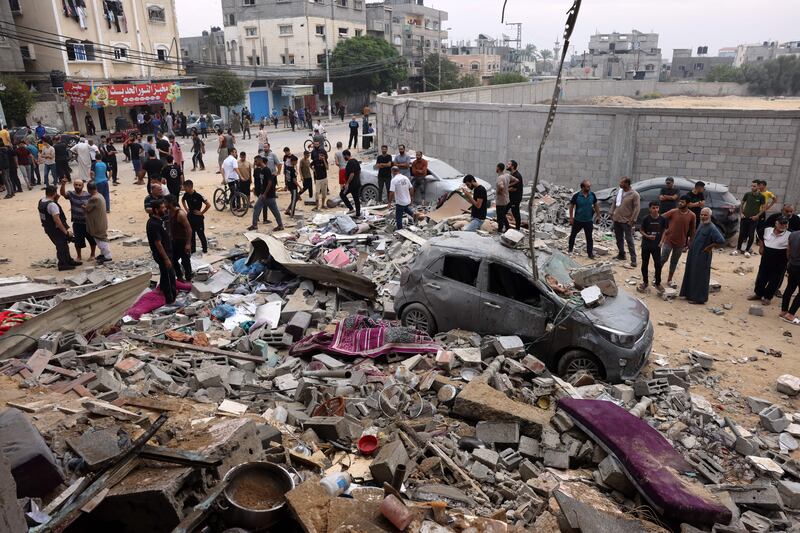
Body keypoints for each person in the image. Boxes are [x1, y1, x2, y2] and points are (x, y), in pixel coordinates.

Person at [680, 207, 725, 304]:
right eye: (701, 214)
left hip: (702, 256)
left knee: (700, 277)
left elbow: (721, 240)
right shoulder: (701, 224)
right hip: (693, 255)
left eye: (705, 215)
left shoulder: (712, 227)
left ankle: (698, 299)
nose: (703, 217)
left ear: (709, 216)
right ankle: (689, 294)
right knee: (691, 273)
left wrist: (710, 247)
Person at [750, 217, 791, 306]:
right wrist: (761, 247)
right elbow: (760, 236)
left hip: (780, 260)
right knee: (761, 277)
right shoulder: (767, 230)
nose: (783, 226)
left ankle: (768, 297)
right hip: (766, 257)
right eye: (781, 223)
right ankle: (758, 294)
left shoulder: (790, 234)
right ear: (776, 223)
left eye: (785, 224)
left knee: (774, 280)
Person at [40, 185, 80, 271]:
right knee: (61, 246)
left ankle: (68, 260)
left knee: (64, 245)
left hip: (48, 228)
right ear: (54, 193)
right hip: (55, 229)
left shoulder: (42, 201)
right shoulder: (52, 205)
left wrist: (56, 200)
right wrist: (66, 232)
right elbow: (57, 221)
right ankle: (63, 264)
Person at [660, 196, 696, 289]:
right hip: (668, 240)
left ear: (687, 204)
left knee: (674, 261)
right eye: (679, 202)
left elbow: (692, 229)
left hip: (681, 242)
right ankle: (657, 277)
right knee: (663, 259)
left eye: (682, 202)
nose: (680, 203)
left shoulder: (692, 215)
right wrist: (664, 230)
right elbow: (661, 218)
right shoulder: (673, 211)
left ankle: (669, 280)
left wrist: (691, 241)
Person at [147, 199, 177, 304]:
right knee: (170, 277)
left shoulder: (159, 220)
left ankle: (162, 292)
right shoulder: (154, 224)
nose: (165, 209)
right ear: (156, 210)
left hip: (167, 253)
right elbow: (158, 244)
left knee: (165, 275)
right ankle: (171, 300)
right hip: (163, 255)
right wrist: (166, 259)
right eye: (162, 208)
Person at [59, 178, 95, 261]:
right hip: (77, 222)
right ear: (73, 185)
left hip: (87, 222)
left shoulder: (88, 195)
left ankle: (92, 254)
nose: (77, 186)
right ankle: (79, 256)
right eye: (76, 185)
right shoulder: (71, 194)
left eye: (79, 185)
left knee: (92, 239)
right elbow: (63, 194)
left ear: (82, 186)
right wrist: (63, 184)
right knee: (78, 241)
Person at [248, 156, 284, 231]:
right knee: (256, 208)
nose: (255, 163)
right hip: (263, 194)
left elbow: (270, 182)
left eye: (256, 161)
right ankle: (254, 225)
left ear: (260, 161)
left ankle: (280, 225)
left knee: (274, 210)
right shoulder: (261, 170)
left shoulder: (266, 170)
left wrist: (265, 194)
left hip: (269, 195)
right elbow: (262, 182)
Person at [611, 176, 640, 267]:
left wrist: (633, 220)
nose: (620, 184)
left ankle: (633, 259)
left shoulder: (634, 194)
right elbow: (614, 203)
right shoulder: (620, 192)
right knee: (619, 239)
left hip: (627, 221)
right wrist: (611, 213)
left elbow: (637, 208)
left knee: (629, 240)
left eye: (622, 182)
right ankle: (621, 254)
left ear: (627, 184)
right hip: (617, 219)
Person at [638, 201, 667, 293]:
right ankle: (645, 282)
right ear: (649, 209)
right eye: (653, 208)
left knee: (658, 265)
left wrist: (662, 241)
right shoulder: (645, 219)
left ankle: (658, 283)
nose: (655, 210)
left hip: (656, 246)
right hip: (646, 245)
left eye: (657, 208)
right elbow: (641, 230)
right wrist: (647, 236)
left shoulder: (662, 219)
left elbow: (665, 231)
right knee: (644, 264)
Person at [568, 179, 600, 258]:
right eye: (587, 187)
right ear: (582, 187)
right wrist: (571, 217)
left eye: (589, 186)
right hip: (578, 220)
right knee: (573, 235)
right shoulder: (576, 196)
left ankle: (590, 254)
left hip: (588, 221)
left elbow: (596, 205)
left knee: (589, 238)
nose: (589, 188)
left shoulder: (592, 195)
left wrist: (598, 215)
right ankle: (570, 249)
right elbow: (571, 207)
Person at [165, 195, 193, 282]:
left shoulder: (180, 214)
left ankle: (189, 278)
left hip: (183, 241)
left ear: (170, 203)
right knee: (172, 259)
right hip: (174, 240)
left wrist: (188, 244)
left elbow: (189, 229)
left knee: (185, 261)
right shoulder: (169, 211)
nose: (164, 204)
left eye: (165, 202)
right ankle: (180, 276)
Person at [84, 181, 112, 264]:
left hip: (97, 223)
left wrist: (83, 206)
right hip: (101, 221)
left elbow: (87, 209)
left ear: (89, 189)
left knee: (100, 240)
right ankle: (103, 254)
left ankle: (107, 256)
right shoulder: (100, 195)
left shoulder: (94, 198)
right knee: (100, 239)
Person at [736, 180, 766, 255]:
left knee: (751, 234)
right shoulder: (747, 194)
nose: (752, 187)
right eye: (751, 186)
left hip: (753, 219)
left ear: (758, 186)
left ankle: (747, 250)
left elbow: (764, 208)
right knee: (741, 234)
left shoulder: (761, 197)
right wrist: (741, 213)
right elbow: (741, 204)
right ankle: (738, 249)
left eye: (754, 186)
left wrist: (757, 216)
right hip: (744, 218)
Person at [181, 180, 210, 254]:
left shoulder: (198, 195)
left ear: (189, 187)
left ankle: (205, 250)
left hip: (198, 218)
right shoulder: (186, 194)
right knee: (191, 234)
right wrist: (186, 209)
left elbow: (208, 205)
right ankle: (193, 250)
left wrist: (201, 213)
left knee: (201, 234)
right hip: (190, 217)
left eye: (185, 187)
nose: (183, 188)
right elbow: (182, 200)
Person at [781, 228, 800, 323]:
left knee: (790, 288)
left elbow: (788, 250)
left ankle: (784, 311)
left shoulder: (793, 234)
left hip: (792, 265)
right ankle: (790, 314)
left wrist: (789, 261)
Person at [389, 166, 414, 230]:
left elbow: (391, 192)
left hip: (400, 202)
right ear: (398, 171)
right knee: (406, 209)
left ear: (392, 172)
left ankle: (400, 230)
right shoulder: (405, 178)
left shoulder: (394, 180)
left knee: (398, 217)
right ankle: (416, 216)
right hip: (407, 200)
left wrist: (389, 202)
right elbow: (411, 188)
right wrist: (411, 197)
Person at [340, 150, 361, 217]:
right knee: (356, 199)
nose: (344, 158)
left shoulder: (350, 162)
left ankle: (351, 208)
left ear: (346, 155)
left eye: (344, 156)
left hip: (352, 185)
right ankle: (357, 213)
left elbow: (351, 174)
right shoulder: (355, 161)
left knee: (342, 194)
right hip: (357, 183)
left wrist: (347, 184)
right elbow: (359, 171)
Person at [494, 163, 512, 234]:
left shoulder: (500, 177)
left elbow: (501, 187)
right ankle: (506, 228)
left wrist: (499, 192)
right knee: (502, 215)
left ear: (498, 168)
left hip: (501, 200)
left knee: (500, 216)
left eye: (496, 167)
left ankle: (501, 229)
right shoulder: (507, 175)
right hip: (506, 199)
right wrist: (507, 189)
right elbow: (516, 180)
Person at [507, 160, 524, 230]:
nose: (507, 165)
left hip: (515, 198)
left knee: (515, 212)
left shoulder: (517, 176)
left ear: (512, 166)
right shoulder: (512, 174)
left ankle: (517, 229)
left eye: (508, 164)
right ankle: (509, 227)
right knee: (505, 211)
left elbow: (514, 189)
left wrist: (503, 190)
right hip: (510, 197)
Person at [312, 145, 329, 210]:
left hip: (324, 178)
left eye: (322, 156)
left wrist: (324, 160)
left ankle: (323, 205)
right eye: (320, 156)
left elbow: (327, 168)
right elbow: (310, 165)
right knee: (317, 192)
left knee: (324, 193)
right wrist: (313, 169)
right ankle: (317, 206)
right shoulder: (315, 160)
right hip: (318, 179)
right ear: (318, 155)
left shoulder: (325, 161)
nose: (321, 157)